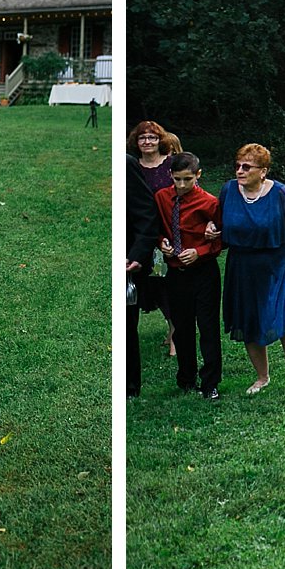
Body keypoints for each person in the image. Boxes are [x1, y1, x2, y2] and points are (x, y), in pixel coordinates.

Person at [212, 144, 285, 394]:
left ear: (263, 171)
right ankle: (262, 377)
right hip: (243, 266)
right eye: (238, 166)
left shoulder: (280, 192)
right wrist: (212, 230)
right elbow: (219, 224)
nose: (240, 171)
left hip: (280, 263)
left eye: (246, 167)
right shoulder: (229, 190)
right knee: (248, 318)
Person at [155, 152, 222, 399]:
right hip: (175, 273)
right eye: (177, 179)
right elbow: (158, 229)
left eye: (187, 179)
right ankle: (185, 379)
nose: (182, 185)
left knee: (208, 327)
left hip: (204, 272)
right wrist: (162, 242)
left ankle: (210, 383)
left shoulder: (210, 203)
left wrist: (200, 251)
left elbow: (222, 238)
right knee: (181, 329)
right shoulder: (162, 198)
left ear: (198, 175)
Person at [130, 121, 178, 354]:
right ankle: (170, 326)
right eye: (142, 138)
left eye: (152, 137)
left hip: (171, 231)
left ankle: (174, 333)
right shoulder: (133, 166)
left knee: (170, 283)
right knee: (156, 283)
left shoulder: (170, 165)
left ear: (161, 141)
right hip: (145, 234)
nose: (147, 142)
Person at [124, 148, 159, 398]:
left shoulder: (125, 165)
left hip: (126, 261)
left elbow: (147, 216)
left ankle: (129, 387)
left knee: (125, 326)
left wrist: (138, 255)